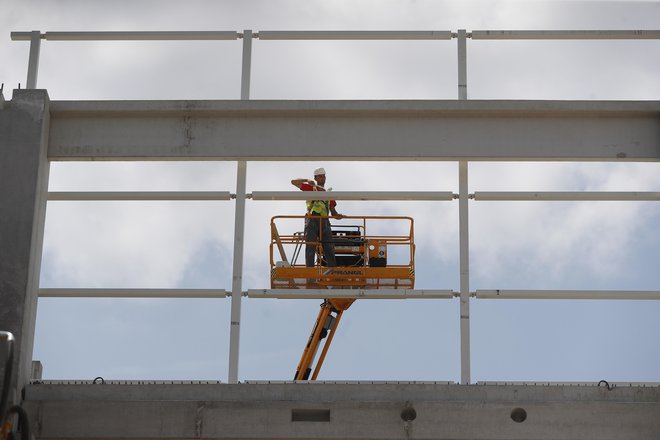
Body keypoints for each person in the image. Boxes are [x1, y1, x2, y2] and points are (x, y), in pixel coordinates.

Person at [291, 167, 343, 269]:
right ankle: (310, 270)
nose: (323, 178)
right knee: (310, 245)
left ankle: (332, 270)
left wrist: (338, 216)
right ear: (315, 178)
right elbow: (294, 182)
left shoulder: (328, 194)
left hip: (325, 221)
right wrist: (307, 180)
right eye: (320, 176)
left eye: (324, 176)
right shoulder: (311, 188)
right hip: (312, 219)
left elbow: (333, 212)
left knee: (329, 247)